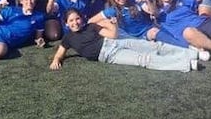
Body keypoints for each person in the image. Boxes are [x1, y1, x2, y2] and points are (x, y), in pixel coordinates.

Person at [50, 9, 202, 72]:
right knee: (144, 60)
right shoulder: (68, 37)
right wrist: (56, 60)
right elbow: (61, 51)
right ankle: (184, 64)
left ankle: (190, 53)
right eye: (71, 21)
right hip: (109, 56)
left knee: (153, 46)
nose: (75, 22)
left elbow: (112, 36)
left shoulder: (91, 26)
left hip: (114, 43)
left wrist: (113, 25)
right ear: (66, 23)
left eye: (77, 19)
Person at [89, 0, 155, 39]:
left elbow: (152, 12)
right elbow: (91, 21)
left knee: (155, 32)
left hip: (150, 29)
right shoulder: (112, 11)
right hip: (135, 37)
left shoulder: (134, 0)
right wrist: (107, 23)